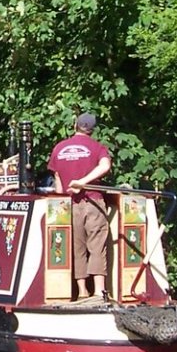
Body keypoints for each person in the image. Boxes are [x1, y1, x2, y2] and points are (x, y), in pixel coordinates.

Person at [47, 112, 114, 301]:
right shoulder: (98, 147)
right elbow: (105, 165)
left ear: (75, 124)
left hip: (69, 205)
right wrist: (83, 182)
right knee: (97, 246)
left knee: (77, 247)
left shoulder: (59, 148)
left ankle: (82, 291)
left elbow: (58, 182)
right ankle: (99, 292)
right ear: (92, 129)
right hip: (93, 201)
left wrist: (67, 192)